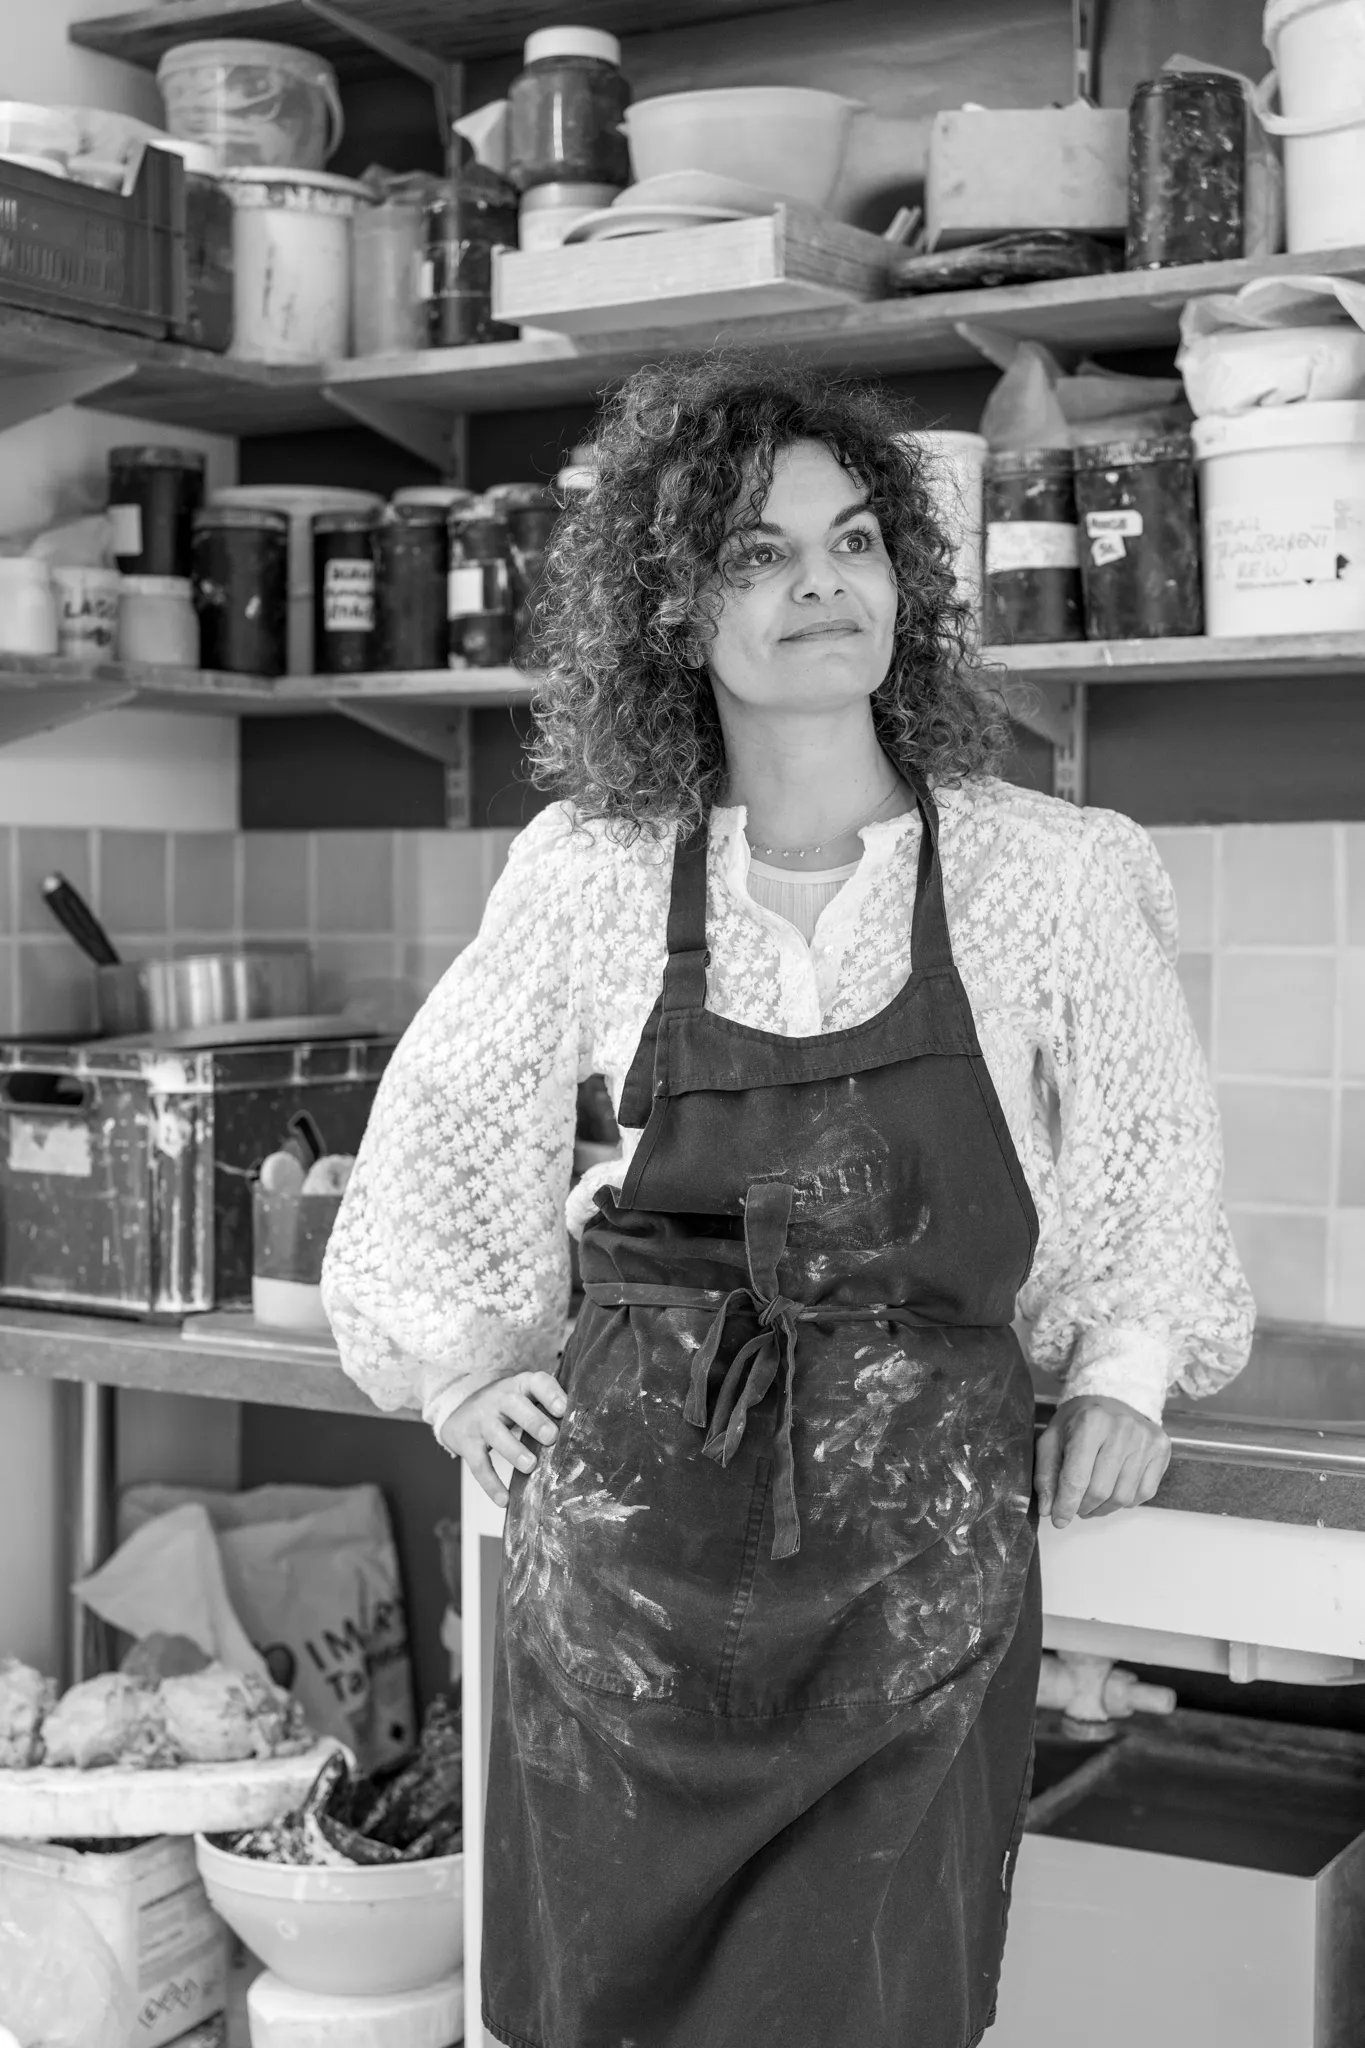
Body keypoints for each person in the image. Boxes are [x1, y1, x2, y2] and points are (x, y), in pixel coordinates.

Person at [323, 356, 1254, 2048]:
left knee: (879, 2004)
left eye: (854, 542)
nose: (823, 585)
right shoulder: (596, 869)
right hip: (628, 1577)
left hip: (917, 1572)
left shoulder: (1047, 871)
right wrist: (458, 1366)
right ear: (675, 610)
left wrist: (1126, 1367)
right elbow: (439, 1135)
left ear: (906, 574)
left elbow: (1153, 1145)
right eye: (759, 554)